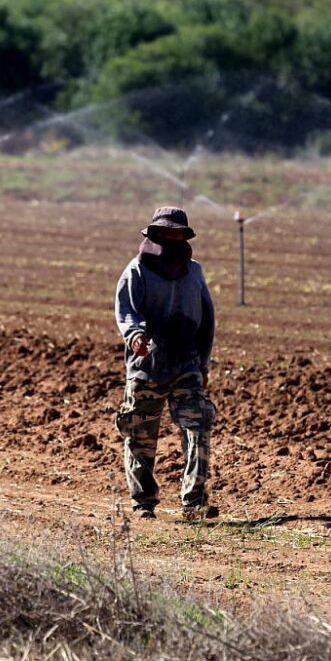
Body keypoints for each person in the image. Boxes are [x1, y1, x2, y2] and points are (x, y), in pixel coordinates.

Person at [115, 206, 217, 521]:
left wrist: (202, 364)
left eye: (176, 233)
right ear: (154, 235)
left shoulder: (194, 272)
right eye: (164, 232)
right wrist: (135, 336)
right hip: (147, 367)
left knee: (197, 428)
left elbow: (207, 318)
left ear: (184, 236)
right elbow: (127, 311)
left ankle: (194, 503)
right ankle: (143, 502)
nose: (170, 237)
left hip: (186, 364)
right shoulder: (137, 270)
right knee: (140, 435)